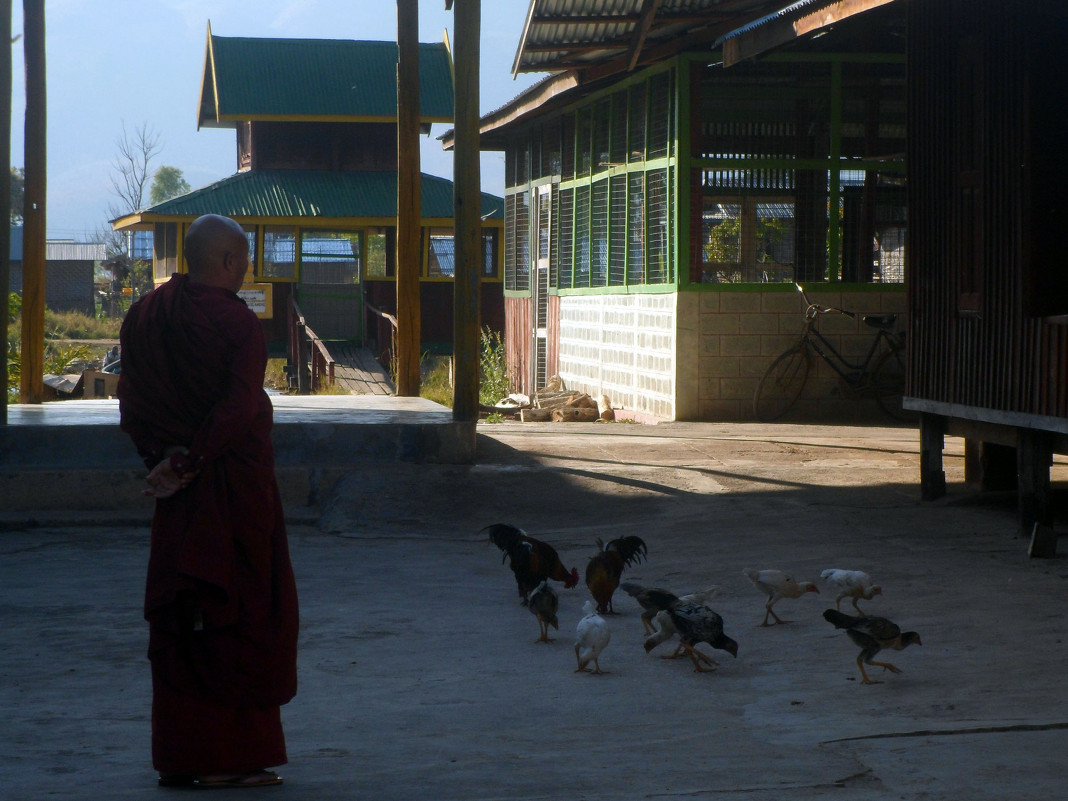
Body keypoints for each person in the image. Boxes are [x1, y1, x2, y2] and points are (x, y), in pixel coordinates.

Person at [117, 214, 299, 789]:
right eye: (242, 259)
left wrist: (163, 461)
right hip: (230, 489)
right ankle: (227, 759)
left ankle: (182, 755)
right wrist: (194, 460)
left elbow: (133, 400)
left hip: (179, 489)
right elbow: (240, 408)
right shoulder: (237, 325)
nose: (245, 269)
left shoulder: (146, 314)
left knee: (183, 610)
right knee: (235, 609)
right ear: (228, 262)